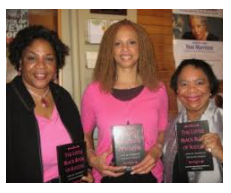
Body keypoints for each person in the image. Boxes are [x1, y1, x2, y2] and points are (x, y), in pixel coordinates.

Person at [81, 19, 168, 183]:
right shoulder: (94, 92)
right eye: (117, 43)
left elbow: (163, 130)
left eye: (131, 42)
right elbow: (84, 134)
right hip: (108, 176)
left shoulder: (158, 89)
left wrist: (157, 151)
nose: (125, 49)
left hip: (151, 176)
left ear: (141, 48)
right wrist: (93, 160)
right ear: (110, 50)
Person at [6, 25, 93, 183]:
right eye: (32, 58)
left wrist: (84, 170)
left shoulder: (63, 96)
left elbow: (79, 143)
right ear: (20, 62)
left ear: (56, 65)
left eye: (49, 58)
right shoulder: (7, 100)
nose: (41, 65)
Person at [163, 59, 223, 183]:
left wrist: (222, 154)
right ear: (177, 91)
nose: (192, 90)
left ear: (210, 86)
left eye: (199, 83)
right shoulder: (171, 126)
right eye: (184, 84)